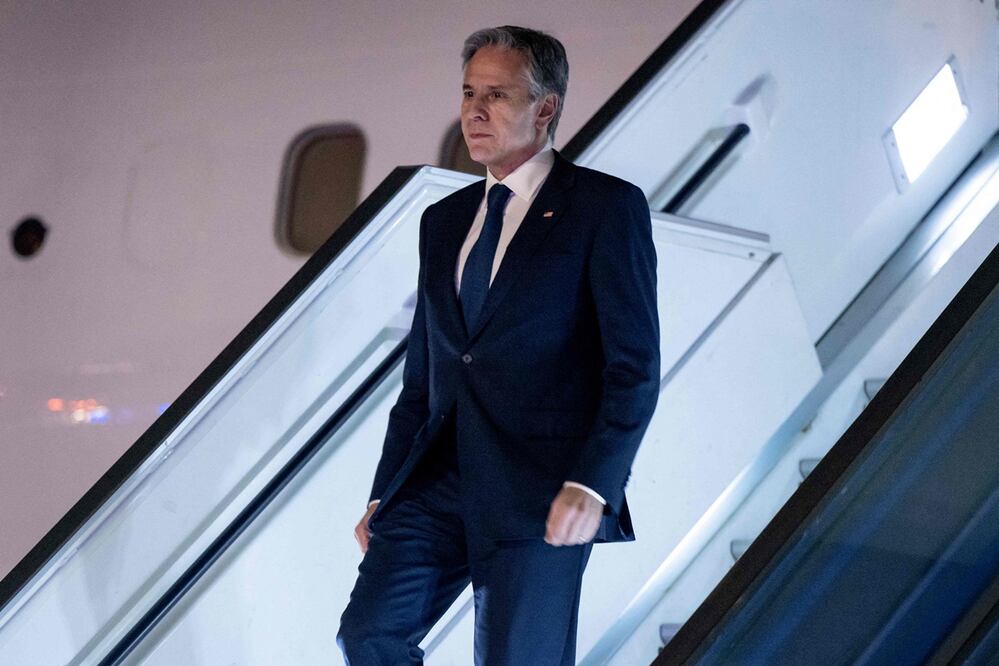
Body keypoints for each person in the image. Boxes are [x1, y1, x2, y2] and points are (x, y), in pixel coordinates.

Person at [337, 25, 660, 665]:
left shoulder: (604, 207)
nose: (475, 112)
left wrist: (595, 485)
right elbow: (426, 374)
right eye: (468, 93)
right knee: (369, 636)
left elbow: (633, 367)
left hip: (540, 487)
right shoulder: (445, 220)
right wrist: (385, 490)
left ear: (546, 108)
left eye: (499, 95)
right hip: (436, 481)